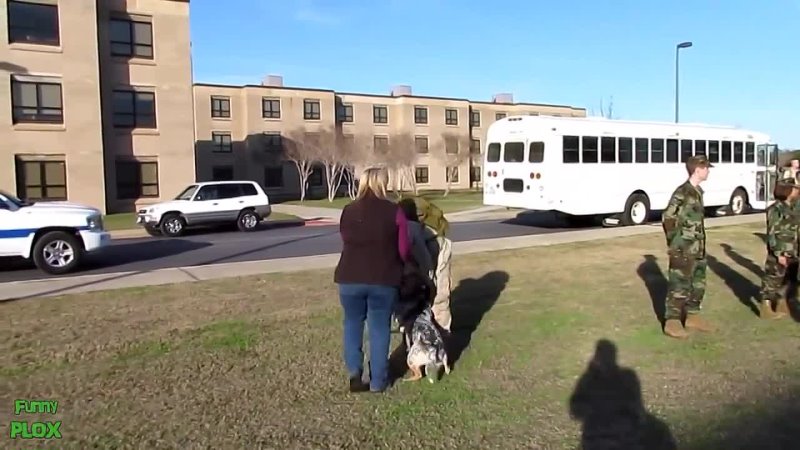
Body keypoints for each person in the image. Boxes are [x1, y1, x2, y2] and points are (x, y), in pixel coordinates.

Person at [334, 166, 411, 393]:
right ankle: (378, 381)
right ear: (382, 184)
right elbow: (404, 249)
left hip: (350, 277)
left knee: (352, 324)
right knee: (379, 329)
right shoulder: (394, 211)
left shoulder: (348, 210)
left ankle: (355, 375)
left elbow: (345, 238)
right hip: (384, 278)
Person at [660, 155, 713, 339]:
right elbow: (668, 217)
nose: (708, 171)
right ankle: (672, 322)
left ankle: (693, 316)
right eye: (706, 168)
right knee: (679, 285)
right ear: (698, 169)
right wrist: (675, 242)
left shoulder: (697, 191)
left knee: (698, 284)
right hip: (684, 248)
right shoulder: (682, 192)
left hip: (698, 248)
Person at [401, 195, 453, 332]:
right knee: (439, 300)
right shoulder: (438, 235)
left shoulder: (409, 229)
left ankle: (427, 337)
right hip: (429, 274)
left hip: (421, 277)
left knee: (429, 303)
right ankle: (441, 335)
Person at [757, 178, 800, 319]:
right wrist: (778, 253)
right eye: (794, 188)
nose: (796, 190)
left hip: (793, 249)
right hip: (780, 250)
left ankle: (782, 303)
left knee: (789, 278)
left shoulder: (792, 207)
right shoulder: (775, 209)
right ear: (787, 190)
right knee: (773, 278)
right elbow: (772, 233)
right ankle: (766, 308)